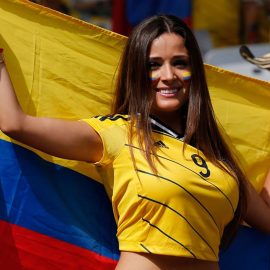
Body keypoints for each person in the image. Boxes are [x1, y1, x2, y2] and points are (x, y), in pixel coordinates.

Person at [0, 15, 270, 270]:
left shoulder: (219, 159)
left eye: (180, 63)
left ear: (194, 72)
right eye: (153, 65)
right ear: (136, 72)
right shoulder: (117, 133)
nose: (168, 75)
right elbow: (16, 124)